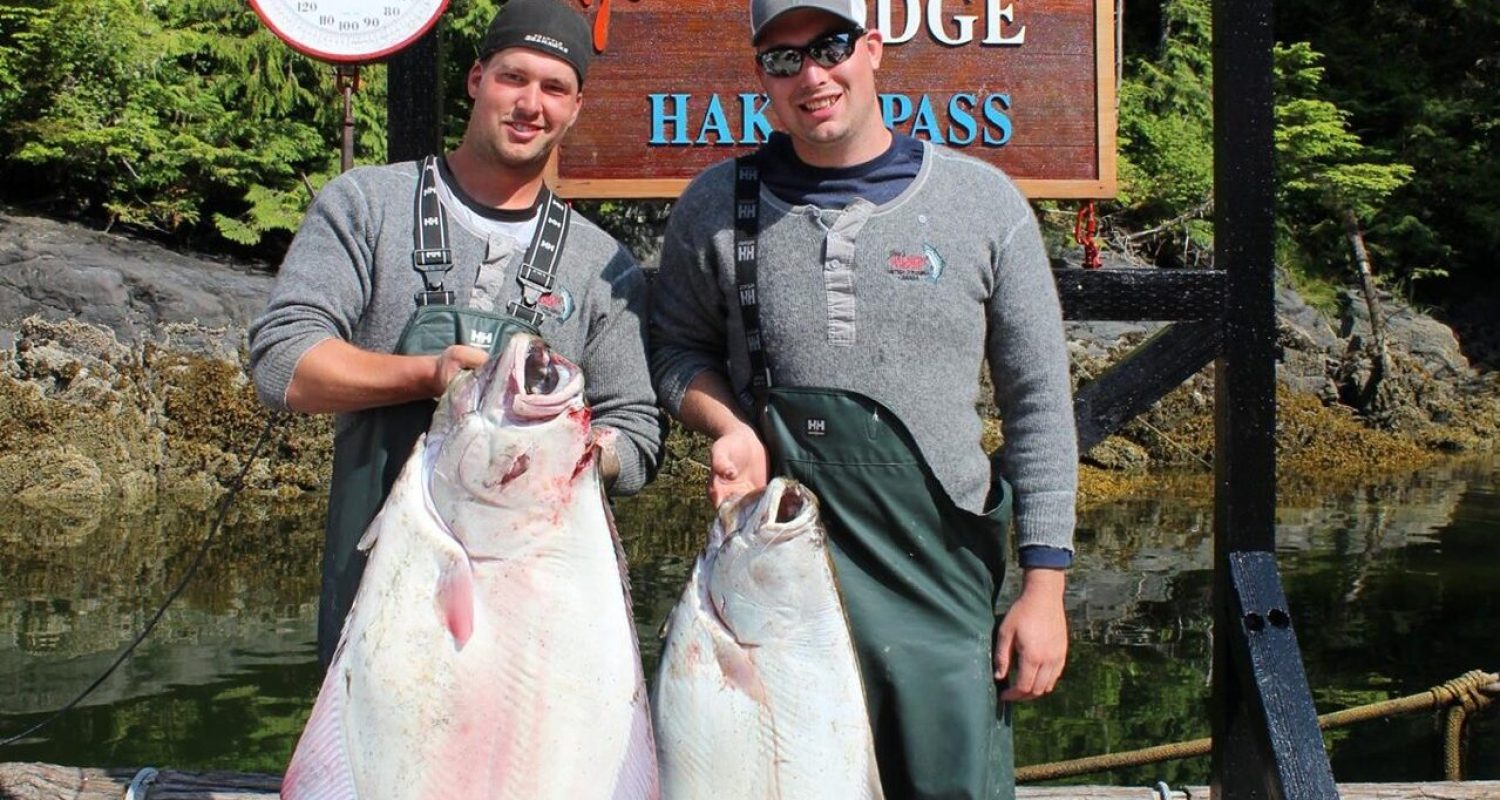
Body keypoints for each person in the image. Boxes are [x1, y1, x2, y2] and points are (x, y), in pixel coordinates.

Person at [648, 0, 1077, 797]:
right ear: (762, 77)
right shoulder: (713, 206)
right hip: (771, 588)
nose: (812, 75)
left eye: (831, 46)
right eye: (784, 59)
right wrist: (730, 425)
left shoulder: (984, 204)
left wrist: (1044, 586)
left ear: (873, 49)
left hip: (942, 591)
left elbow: (1040, 403)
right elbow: (674, 349)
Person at [249, 0, 663, 669]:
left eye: (554, 88)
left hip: (532, 612)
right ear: (476, 80)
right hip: (381, 590)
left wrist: (575, 448)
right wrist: (428, 375)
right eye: (513, 78)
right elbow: (283, 362)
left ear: (576, 107)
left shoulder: (600, 265)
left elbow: (637, 435)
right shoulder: (365, 204)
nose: (531, 103)